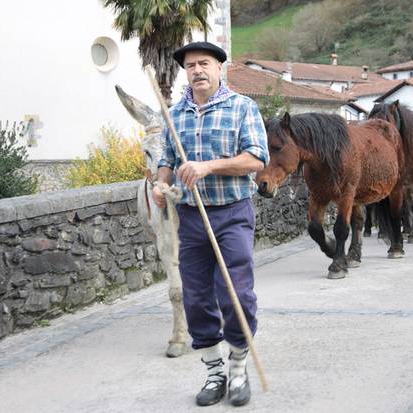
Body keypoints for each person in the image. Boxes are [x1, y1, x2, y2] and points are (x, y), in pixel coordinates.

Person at [152, 41, 269, 407]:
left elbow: (256, 160)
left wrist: (207, 167)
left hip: (232, 213)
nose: (197, 70)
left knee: (236, 294)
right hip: (190, 218)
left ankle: (237, 368)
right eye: (190, 66)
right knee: (198, 298)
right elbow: (168, 159)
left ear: (221, 69)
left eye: (205, 63)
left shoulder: (242, 108)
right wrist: (160, 182)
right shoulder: (175, 114)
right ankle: (214, 372)